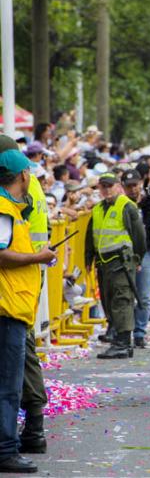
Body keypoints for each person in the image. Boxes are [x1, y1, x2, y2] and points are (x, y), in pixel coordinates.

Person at [0, 147, 56, 474]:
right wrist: (37, 258)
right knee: (8, 385)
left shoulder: (11, 207)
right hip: (8, 308)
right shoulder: (4, 207)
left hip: (12, 306)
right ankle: (6, 450)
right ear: (23, 175)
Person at [85, 173, 146, 359]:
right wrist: (89, 259)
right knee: (109, 301)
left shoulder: (127, 207)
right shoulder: (97, 209)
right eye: (102, 187)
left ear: (118, 186)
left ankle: (123, 343)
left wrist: (137, 259)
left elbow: (139, 236)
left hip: (121, 262)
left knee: (122, 300)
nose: (106, 190)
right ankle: (120, 340)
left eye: (109, 186)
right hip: (104, 263)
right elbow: (91, 236)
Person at [121, 169, 150, 348]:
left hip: (147, 252)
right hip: (125, 253)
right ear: (123, 187)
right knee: (125, 295)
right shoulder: (121, 203)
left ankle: (140, 333)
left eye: (135, 185)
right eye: (129, 186)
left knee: (144, 296)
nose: (133, 190)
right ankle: (123, 332)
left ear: (141, 183)